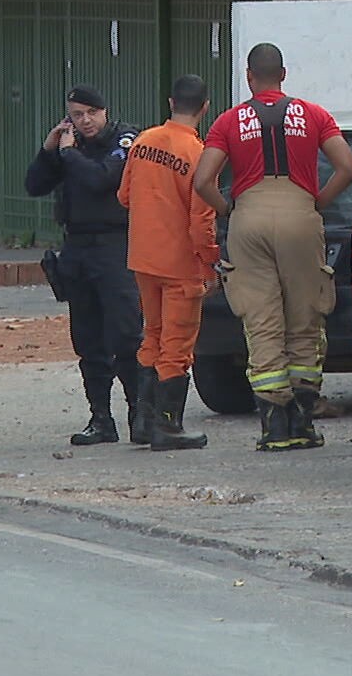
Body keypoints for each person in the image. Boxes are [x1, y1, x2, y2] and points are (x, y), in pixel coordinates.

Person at [193, 43, 352, 452]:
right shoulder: (315, 115)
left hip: (248, 220)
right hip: (300, 216)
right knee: (304, 317)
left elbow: (201, 182)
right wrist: (317, 201)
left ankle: (273, 428)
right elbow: (348, 167)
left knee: (261, 320)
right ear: (283, 74)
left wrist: (228, 208)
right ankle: (303, 423)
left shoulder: (229, 121)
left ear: (249, 77)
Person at [25, 85, 148, 446]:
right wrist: (49, 151)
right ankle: (100, 419)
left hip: (114, 247)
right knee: (88, 340)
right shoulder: (66, 149)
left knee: (126, 335)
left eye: (91, 113)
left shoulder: (124, 141)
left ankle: (138, 413)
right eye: (77, 115)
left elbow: (102, 180)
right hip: (77, 249)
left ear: (105, 111)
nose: (85, 121)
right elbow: (34, 185)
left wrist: (68, 155)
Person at [117, 75, 219, 451]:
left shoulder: (143, 142)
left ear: (170, 101)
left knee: (153, 336)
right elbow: (202, 220)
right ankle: (168, 426)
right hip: (180, 265)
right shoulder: (198, 154)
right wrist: (209, 263)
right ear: (205, 107)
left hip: (144, 258)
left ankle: (143, 421)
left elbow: (125, 196)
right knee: (177, 346)